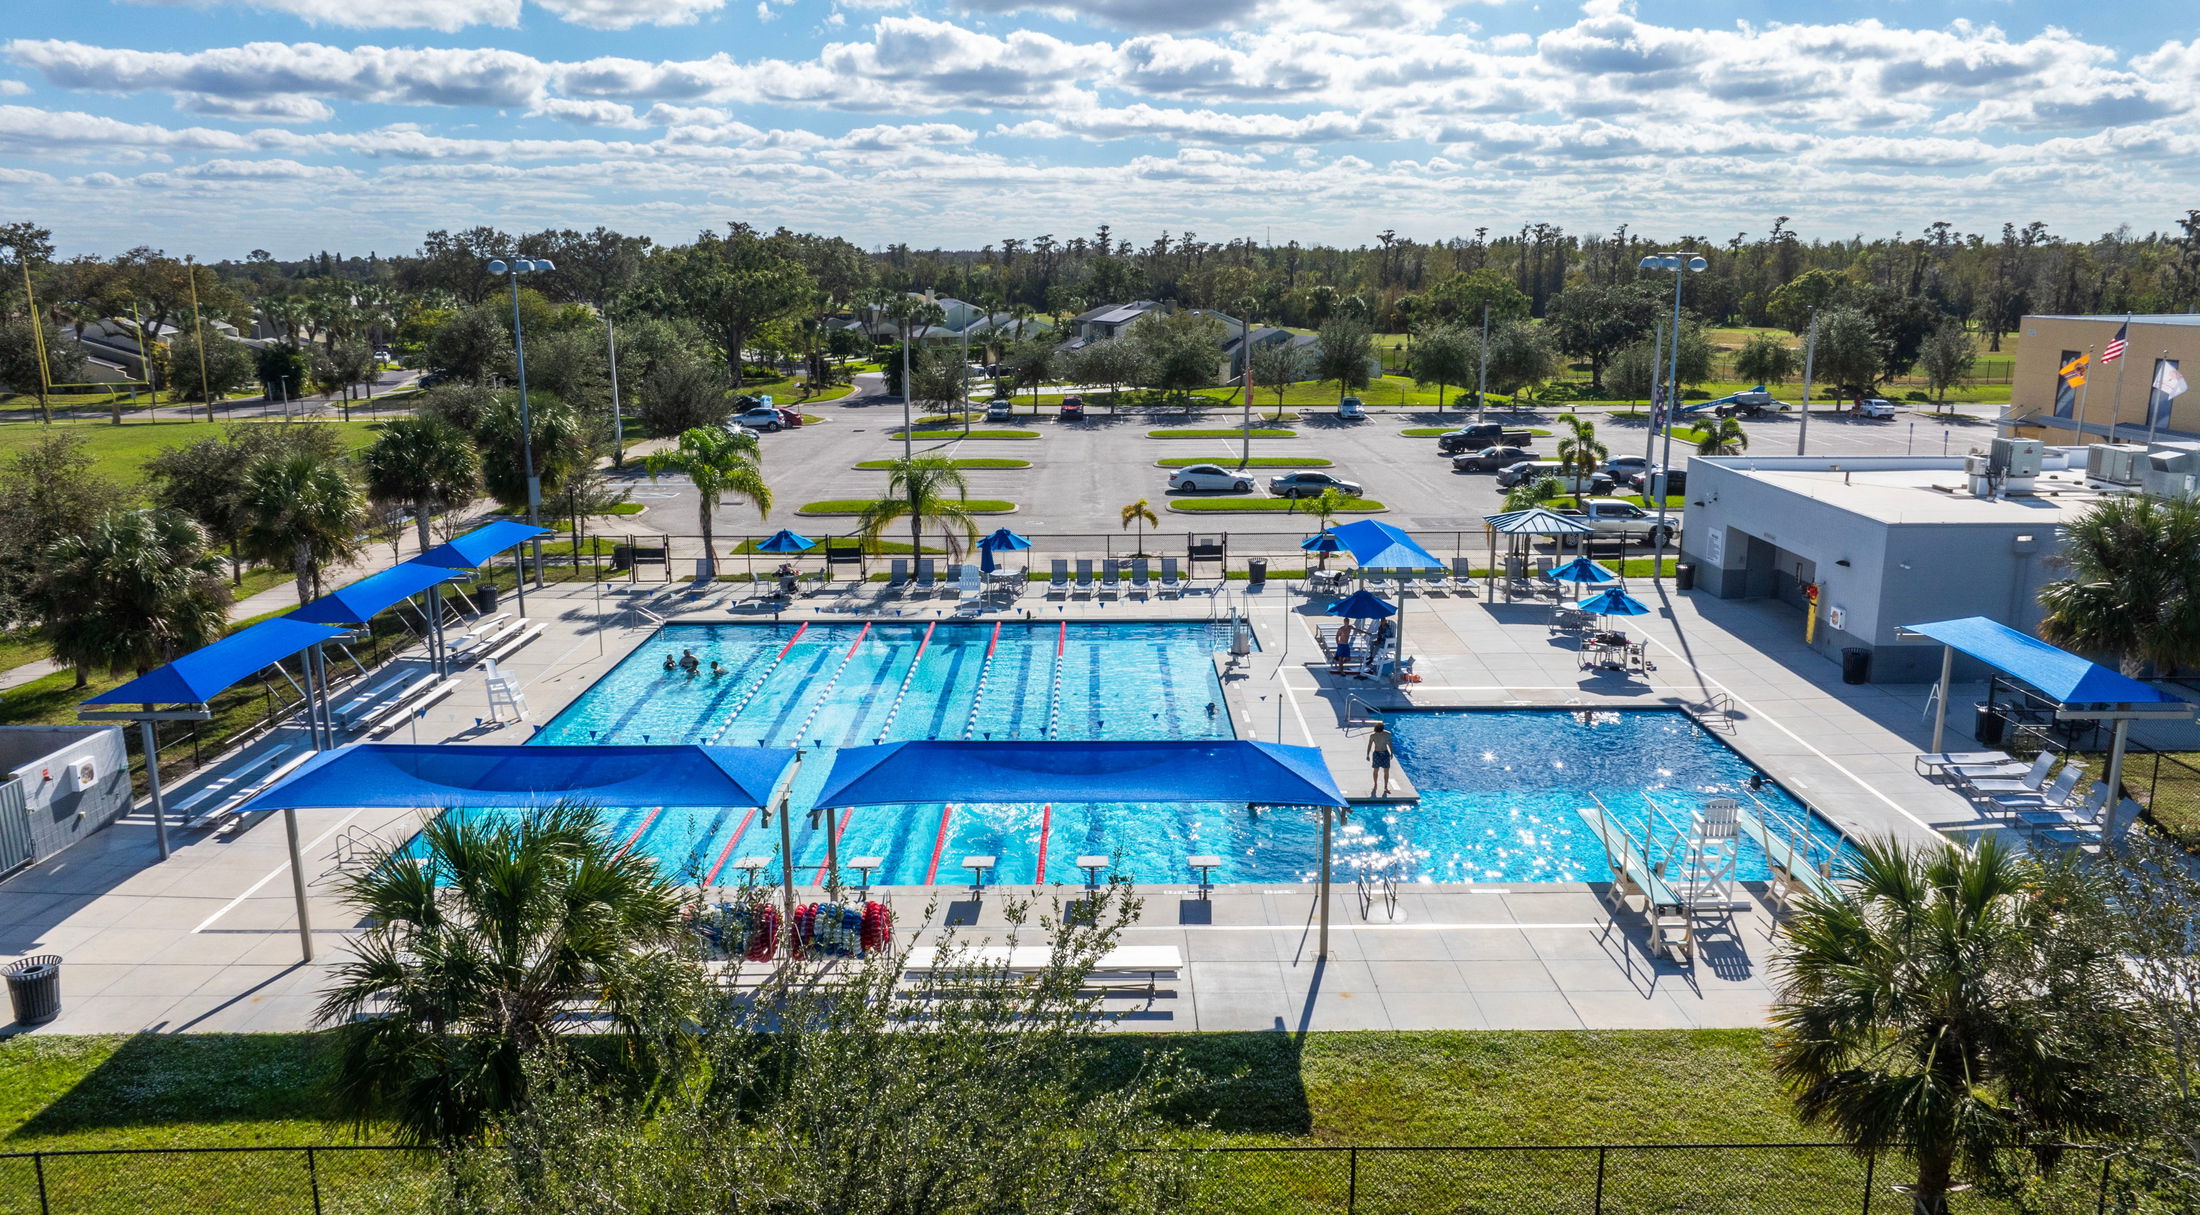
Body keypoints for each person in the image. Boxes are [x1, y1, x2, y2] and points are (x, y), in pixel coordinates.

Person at [1365, 720, 1394, 797]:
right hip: (1377, 754)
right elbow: (1369, 745)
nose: (1378, 733)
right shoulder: (1373, 736)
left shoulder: (1387, 734)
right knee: (1375, 770)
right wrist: (1367, 754)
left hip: (1385, 753)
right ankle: (1375, 785)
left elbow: (1390, 744)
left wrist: (1391, 752)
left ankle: (1385, 787)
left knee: (1386, 771)